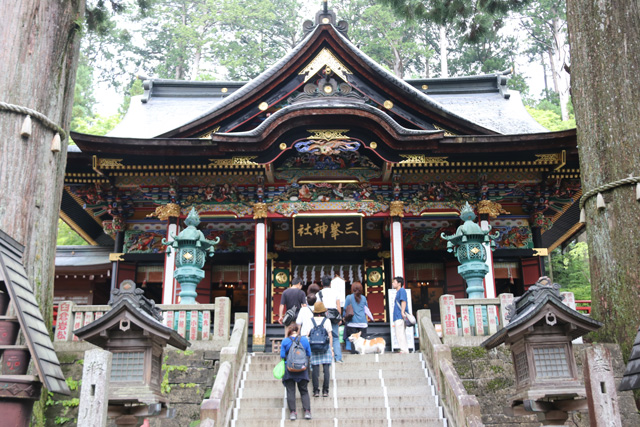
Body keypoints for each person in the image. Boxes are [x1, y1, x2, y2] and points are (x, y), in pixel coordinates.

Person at [301, 301, 333, 397]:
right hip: (325, 347)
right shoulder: (327, 321)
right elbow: (330, 335)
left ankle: (316, 391)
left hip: (314, 347)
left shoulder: (311, 321)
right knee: (326, 368)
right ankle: (325, 390)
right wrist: (331, 348)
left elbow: (307, 334)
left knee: (315, 369)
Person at [280, 323, 312, 420]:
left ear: (289, 330)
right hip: (302, 368)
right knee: (304, 390)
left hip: (289, 369)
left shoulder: (285, 341)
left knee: (290, 391)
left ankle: (293, 413)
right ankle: (307, 411)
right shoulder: (304, 340)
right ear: (298, 330)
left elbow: (282, 355)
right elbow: (309, 353)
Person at [317, 275, 343, 363]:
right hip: (334, 317)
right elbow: (338, 306)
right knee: (335, 337)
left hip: (324, 317)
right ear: (330, 283)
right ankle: (338, 357)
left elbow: (318, 307)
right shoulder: (335, 292)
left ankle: (325, 355)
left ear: (321, 283)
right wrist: (339, 318)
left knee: (324, 336)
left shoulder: (319, 294)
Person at [343, 281, 374, 354]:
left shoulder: (349, 297)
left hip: (352, 323)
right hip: (363, 322)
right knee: (363, 341)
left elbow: (345, 309)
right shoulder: (363, 298)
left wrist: (344, 318)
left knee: (353, 341)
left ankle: (354, 356)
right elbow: (366, 309)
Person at [392, 276, 409, 354]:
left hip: (399, 315)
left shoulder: (401, 290)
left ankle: (404, 349)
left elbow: (403, 301)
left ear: (399, 283)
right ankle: (404, 349)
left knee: (400, 333)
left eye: (394, 282)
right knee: (400, 332)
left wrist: (402, 312)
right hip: (398, 315)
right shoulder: (399, 291)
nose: (392, 283)